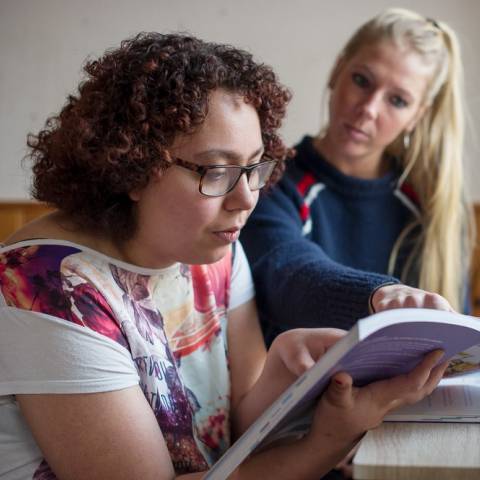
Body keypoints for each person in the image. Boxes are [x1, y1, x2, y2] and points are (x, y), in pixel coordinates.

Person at [0, 32, 450, 480]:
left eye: (255, 167)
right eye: (217, 171)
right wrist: (329, 440)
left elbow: (236, 430)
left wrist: (280, 368)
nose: (246, 199)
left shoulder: (212, 247)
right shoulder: (47, 288)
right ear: (132, 168)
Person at [241, 8, 475, 347]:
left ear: (416, 117)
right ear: (338, 70)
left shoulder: (434, 210)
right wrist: (381, 295)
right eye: (362, 80)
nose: (368, 108)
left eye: (397, 100)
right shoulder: (271, 181)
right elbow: (288, 276)